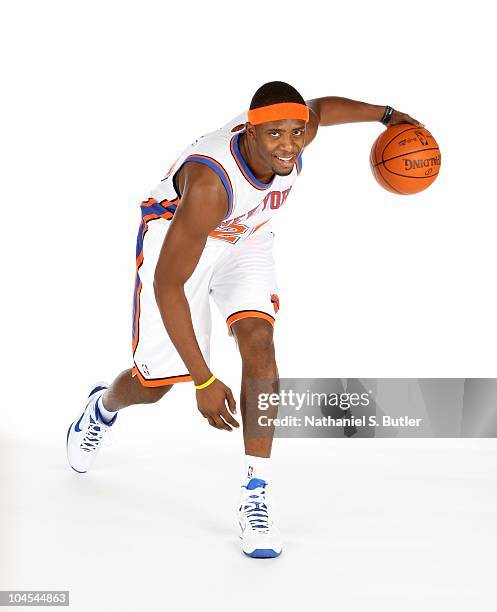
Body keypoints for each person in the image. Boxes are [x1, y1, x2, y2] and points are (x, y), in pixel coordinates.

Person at [66, 81, 421, 558]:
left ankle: (256, 492)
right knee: (153, 387)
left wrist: (389, 115)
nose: (289, 145)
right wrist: (203, 380)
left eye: (296, 133)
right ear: (250, 133)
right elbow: (168, 285)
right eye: (275, 134)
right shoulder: (211, 183)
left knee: (260, 345)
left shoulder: (295, 134)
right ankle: (102, 409)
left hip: (245, 237)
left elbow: (320, 108)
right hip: (179, 240)